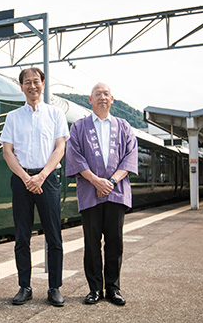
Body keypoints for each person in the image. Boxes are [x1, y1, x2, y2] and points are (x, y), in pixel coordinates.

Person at [0, 67, 69, 307]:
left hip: (47, 178)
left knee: (54, 236)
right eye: (27, 82)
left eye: (36, 81)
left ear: (43, 83)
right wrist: (26, 178)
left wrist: (41, 176)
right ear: (21, 87)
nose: (32, 86)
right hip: (21, 180)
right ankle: (24, 287)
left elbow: (60, 148)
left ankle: (54, 288)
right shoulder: (13, 117)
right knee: (21, 236)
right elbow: (7, 151)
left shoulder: (55, 114)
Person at [65, 82, 138, 306]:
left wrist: (111, 181)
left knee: (115, 242)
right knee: (92, 242)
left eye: (106, 94)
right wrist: (96, 180)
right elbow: (74, 155)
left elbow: (130, 156)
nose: (102, 98)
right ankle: (94, 289)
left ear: (112, 99)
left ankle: (113, 288)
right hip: (90, 192)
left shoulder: (123, 126)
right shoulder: (79, 126)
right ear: (90, 99)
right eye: (98, 94)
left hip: (116, 193)